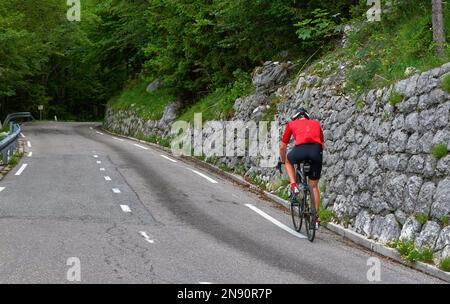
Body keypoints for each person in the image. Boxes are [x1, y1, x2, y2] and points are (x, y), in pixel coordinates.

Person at [279, 108, 324, 225]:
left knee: (288, 161)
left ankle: (294, 185)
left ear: (296, 117)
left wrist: (283, 160)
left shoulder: (291, 124)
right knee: (314, 186)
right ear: (307, 117)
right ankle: (315, 218)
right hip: (316, 151)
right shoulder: (316, 124)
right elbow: (322, 145)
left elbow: (283, 147)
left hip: (300, 150)